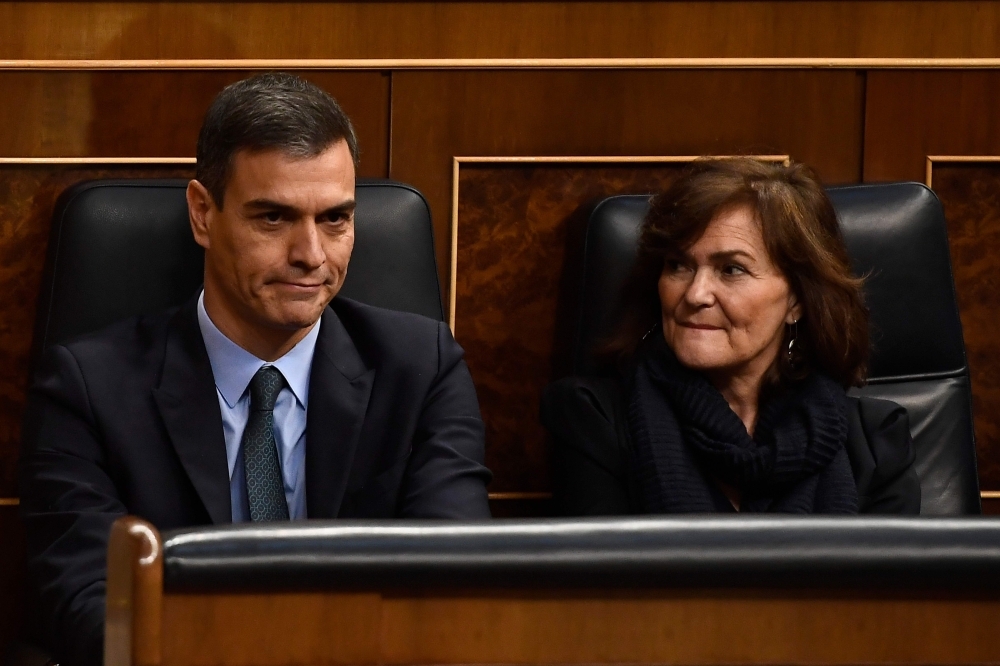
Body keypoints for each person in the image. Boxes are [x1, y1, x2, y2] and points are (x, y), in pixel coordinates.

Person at [18, 72, 492, 666]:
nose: (311, 255)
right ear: (201, 213)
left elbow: (453, 588)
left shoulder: (422, 369)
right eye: (273, 218)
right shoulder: (87, 388)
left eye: (335, 219)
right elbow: (92, 606)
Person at [541, 158, 920, 516]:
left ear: (798, 301)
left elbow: (892, 586)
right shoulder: (595, 419)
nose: (695, 294)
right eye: (678, 265)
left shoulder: (875, 442)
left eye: (731, 270)